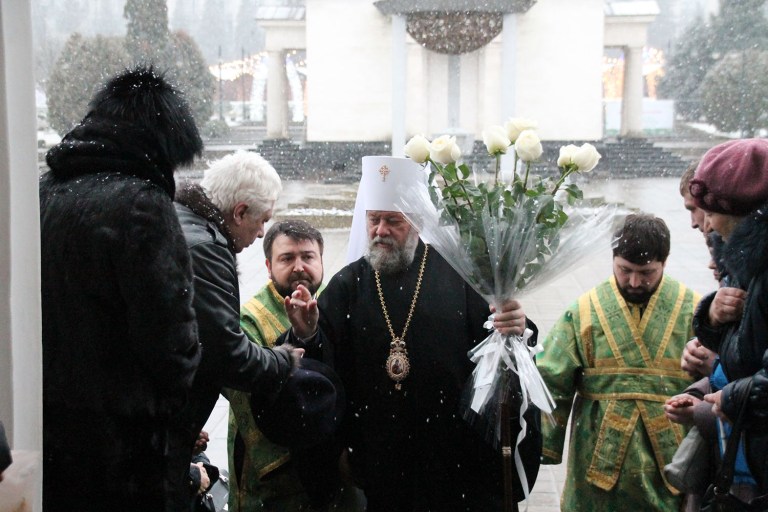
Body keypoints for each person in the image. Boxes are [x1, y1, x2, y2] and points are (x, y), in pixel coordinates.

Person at [281, 156, 542, 511]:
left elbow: (502, 344)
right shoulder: (348, 285)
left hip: (451, 460)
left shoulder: (460, 276)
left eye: (393, 221)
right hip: (377, 459)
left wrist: (517, 325)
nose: (380, 231)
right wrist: (308, 335)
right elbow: (321, 366)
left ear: (418, 222)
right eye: (374, 220)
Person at [39, 66, 203, 510]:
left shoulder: (46, 191)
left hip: (49, 438)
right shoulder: (142, 206)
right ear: (162, 146)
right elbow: (171, 342)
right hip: (123, 453)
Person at [538, 213, 700, 511]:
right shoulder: (584, 310)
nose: (634, 281)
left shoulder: (696, 312)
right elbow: (551, 380)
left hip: (670, 458)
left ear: (664, 263)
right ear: (612, 258)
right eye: (624, 270)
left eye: (646, 272)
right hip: (598, 456)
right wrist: (540, 445)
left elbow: (717, 379)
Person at [169, 151, 301, 509]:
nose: (262, 234)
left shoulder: (179, 221)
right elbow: (228, 356)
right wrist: (282, 360)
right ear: (240, 211)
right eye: (261, 222)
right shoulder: (206, 249)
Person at [224, 220, 335, 511]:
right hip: (270, 482)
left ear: (321, 260)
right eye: (287, 258)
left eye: (308, 257)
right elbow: (241, 393)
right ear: (269, 266)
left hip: (329, 469)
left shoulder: (334, 303)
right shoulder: (248, 319)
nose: (299, 267)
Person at [689, 138, 768, 504]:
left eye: (708, 212)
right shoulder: (745, 257)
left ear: (736, 210)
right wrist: (711, 315)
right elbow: (744, 346)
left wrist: (731, 397)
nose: (704, 224)